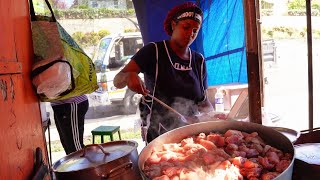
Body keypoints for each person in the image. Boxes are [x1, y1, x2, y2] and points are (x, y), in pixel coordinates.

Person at [113, 2, 213, 143]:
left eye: (195, 30)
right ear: (173, 25)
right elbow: (117, 81)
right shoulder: (153, 51)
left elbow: (203, 103)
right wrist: (129, 75)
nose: (190, 34)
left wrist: (214, 116)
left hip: (192, 133)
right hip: (159, 134)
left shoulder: (198, 60)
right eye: (186, 27)